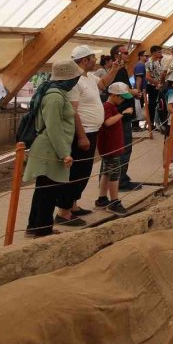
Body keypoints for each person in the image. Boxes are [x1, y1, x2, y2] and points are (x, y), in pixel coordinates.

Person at [54, 45, 114, 226]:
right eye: (92, 58)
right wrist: (81, 136)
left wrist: (115, 69)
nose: (95, 60)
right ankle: (63, 213)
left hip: (91, 130)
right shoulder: (75, 81)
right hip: (83, 132)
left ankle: (73, 206)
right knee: (76, 172)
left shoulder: (89, 77)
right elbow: (73, 111)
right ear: (83, 60)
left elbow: (103, 84)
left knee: (83, 172)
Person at [23, 60, 82, 238]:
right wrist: (64, 153)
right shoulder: (54, 97)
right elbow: (53, 127)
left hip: (53, 147)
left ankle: (39, 226)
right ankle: (41, 228)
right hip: (50, 149)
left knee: (46, 190)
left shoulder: (59, 94)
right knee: (47, 191)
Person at [95, 83, 133, 214]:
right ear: (114, 95)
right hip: (110, 147)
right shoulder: (107, 107)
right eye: (121, 97)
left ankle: (102, 198)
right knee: (115, 174)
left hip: (113, 146)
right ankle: (114, 201)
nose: (122, 100)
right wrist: (123, 114)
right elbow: (107, 122)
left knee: (107, 172)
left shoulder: (112, 107)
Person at [110, 44, 142, 191]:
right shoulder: (118, 70)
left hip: (121, 114)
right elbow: (120, 89)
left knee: (118, 150)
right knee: (123, 149)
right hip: (122, 115)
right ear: (117, 55)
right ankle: (120, 181)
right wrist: (134, 92)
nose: (128, 55)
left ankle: (118, 179)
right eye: (125, 53)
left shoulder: (117, 70)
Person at [145, 45, 164, 130]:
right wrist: (157, 84)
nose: (161, 53)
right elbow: (148, 77)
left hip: (158, 85)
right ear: (153, 53)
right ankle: (151, 124)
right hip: (152, 86)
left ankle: (157, 122)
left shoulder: (158, 62)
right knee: (152, 105)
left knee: (159, 105)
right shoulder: (149, 63)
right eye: (159, 52)